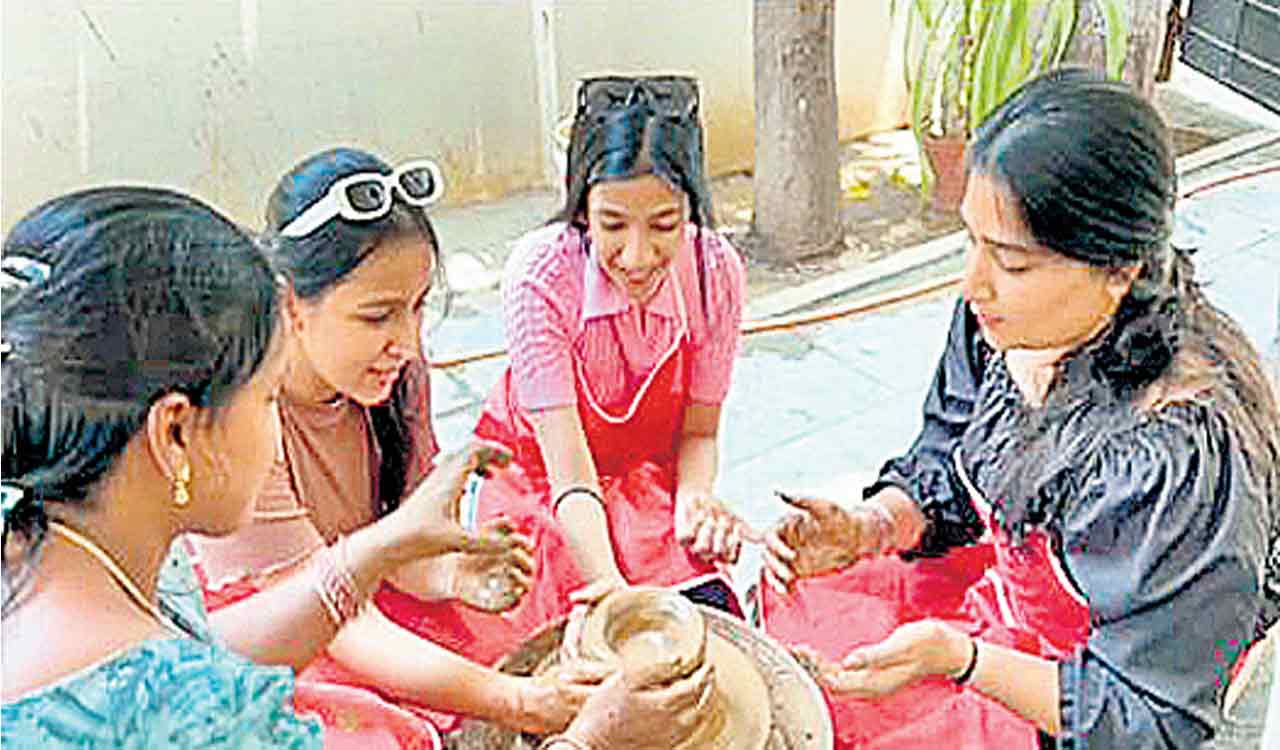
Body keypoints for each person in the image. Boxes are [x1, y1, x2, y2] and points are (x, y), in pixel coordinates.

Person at [0, 186, 713, 750]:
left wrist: (385, 547)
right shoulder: (210, 716)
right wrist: (588, 740)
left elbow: (206, 644)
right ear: (177, 431)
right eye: (268, 395)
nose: (275, 427)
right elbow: (192, 676)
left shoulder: (46, 535)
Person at [760, 69, 1280, 749]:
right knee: (797, 637)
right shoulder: (1001, 322)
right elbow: (950, 457)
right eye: (970, 240)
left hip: (1112, 690)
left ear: (1119, 267)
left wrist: (963, 659)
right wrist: (872, 526)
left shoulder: (1178, 459)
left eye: (1011, 261)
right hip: (1009, 610)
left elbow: (1148, 717)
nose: (972, 282)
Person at [184, 147, 647, 740]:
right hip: (287, 630)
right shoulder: (241, 415)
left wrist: (451, 573)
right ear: (288, 303)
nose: (406, 340)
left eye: (418, 307)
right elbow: (329, 612)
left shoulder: (396, 374)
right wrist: (515, 700)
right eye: (378, 317)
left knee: (548, 575)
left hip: (361, 589)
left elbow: (401, 537)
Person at [379, 75, 757, 669]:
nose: (637, 256)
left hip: (646, 476)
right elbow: (571, 479)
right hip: (543, 480)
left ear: (691, 207)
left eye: (664, 225)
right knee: (546, 640)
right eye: (611, 225)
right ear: (581, 206)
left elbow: (700, 433)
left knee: (713, 624)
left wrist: (693, 497)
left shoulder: (715, 271)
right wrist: (614, 592)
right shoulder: (540, 275)